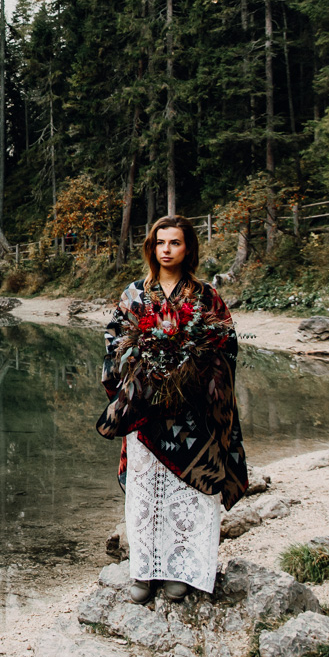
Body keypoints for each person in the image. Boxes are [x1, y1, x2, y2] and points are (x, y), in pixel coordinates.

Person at [96, 214, 248, 604]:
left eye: (175, 242)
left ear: (188, 248)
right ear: (152, 247)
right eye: (160, 242)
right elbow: (113, 344)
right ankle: (144, 572)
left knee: (188, 491)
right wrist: (142, 366)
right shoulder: (134, 294)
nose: (167, 250)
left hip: (192, 414)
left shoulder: (205, 295)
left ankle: (182, 569)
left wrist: (190, 365)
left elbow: (227, 344)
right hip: (145, 411)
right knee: (146, 493)